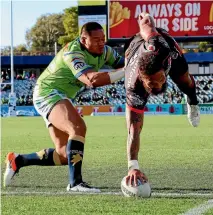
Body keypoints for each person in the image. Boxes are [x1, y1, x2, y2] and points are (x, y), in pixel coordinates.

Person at [4, 22, 125, 192]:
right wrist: (127, 70)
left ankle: (18, 160)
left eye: (103, 39)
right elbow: (91, 80)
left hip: (62, 95)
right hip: (47, 92)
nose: (101, 43)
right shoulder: (73, 52)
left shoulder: (105, 51)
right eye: (96, 39)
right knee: (77, 127)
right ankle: (75, 183)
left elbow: (123, 63)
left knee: (63, 155)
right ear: (83, 39)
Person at [124, 13, 200, 186]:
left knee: (185, 83)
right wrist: (132, 165)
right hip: (134, 49)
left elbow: (147, 24)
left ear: (164, 71)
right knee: (135, 124)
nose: (157, 85)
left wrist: (145, 16)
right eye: (151, 83)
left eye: (160, 79)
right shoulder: (133, 86)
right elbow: (133, 130)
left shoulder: (160, 46)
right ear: (142, 79)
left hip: (166, 48)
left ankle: (193, 103)